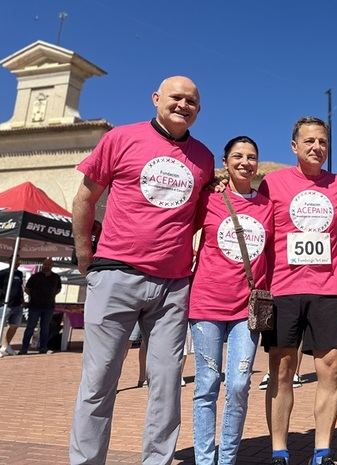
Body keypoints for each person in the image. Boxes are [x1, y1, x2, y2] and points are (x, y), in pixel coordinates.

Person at [69, 76, 214, 465]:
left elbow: (197, 218)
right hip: (115, 275)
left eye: (192, 101)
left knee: (167, 385)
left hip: (172, 287)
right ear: (155, 99)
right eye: (176, 97)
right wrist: (86, 256)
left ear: (198, 110)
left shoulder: (204, 158)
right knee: (99, 382)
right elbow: (85, 197)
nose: (183, 105)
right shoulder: (120, 139)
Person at [259, 116, 337, 465]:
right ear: (294, 146)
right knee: (282, 370)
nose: (317, 147)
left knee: (331, 368)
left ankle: (323, 450)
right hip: (283, 289)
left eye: (323, 142)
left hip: (328, 290)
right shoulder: (272, 183)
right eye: (309, 141)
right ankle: (279, 450)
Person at [189, 135, 273, 465]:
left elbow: (273, 254)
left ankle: (227, 458)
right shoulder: (208, 199)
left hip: (247, 309)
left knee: (238, 384)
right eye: (237, 156)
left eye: (251, 157)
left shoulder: (267, 206)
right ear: (225, 162)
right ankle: (204, 459)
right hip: (207, 302)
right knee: (207, 384)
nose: (244, 162)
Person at [20, 258, 62, 354]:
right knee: (30, 327)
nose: (46, 266)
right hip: (35, 306)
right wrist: (34, 296)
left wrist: (51, 295)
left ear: (52, 266)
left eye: (49, 264)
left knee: (45, 328)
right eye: (45, 264)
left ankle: (43, 348)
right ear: (43, 265)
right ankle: (24, 348)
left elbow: (58, 289)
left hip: (48, 306)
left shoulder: (56, 277)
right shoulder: (35, 276)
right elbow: (27, 288)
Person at [0, 262, 24, 356]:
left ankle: (5, 347)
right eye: (15, 260)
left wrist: (22, 299)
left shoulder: (19, 274)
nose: (17, 263)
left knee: (14, 326)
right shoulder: (3, 273)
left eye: (19, 261)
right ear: (10, 261)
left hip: (17, 305)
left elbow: (20, 287)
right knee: (1, 326)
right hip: (5, 304)